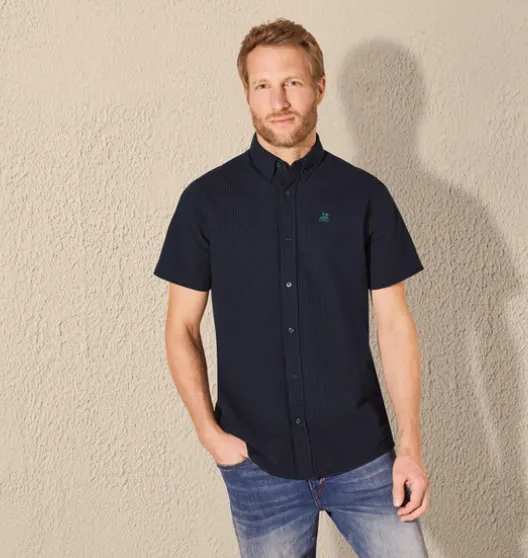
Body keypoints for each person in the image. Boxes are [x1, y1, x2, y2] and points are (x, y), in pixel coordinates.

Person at [153, 17, 429, 558]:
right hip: (260, 467)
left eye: (293, 83)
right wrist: (208, 432)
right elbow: (181, 327)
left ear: (319, 88)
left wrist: (410, 446)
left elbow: (395, 325)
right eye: (262, 85)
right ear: (247, 94)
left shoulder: (364, 197)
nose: (278, 100)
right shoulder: (205, 202)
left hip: (364, 458)